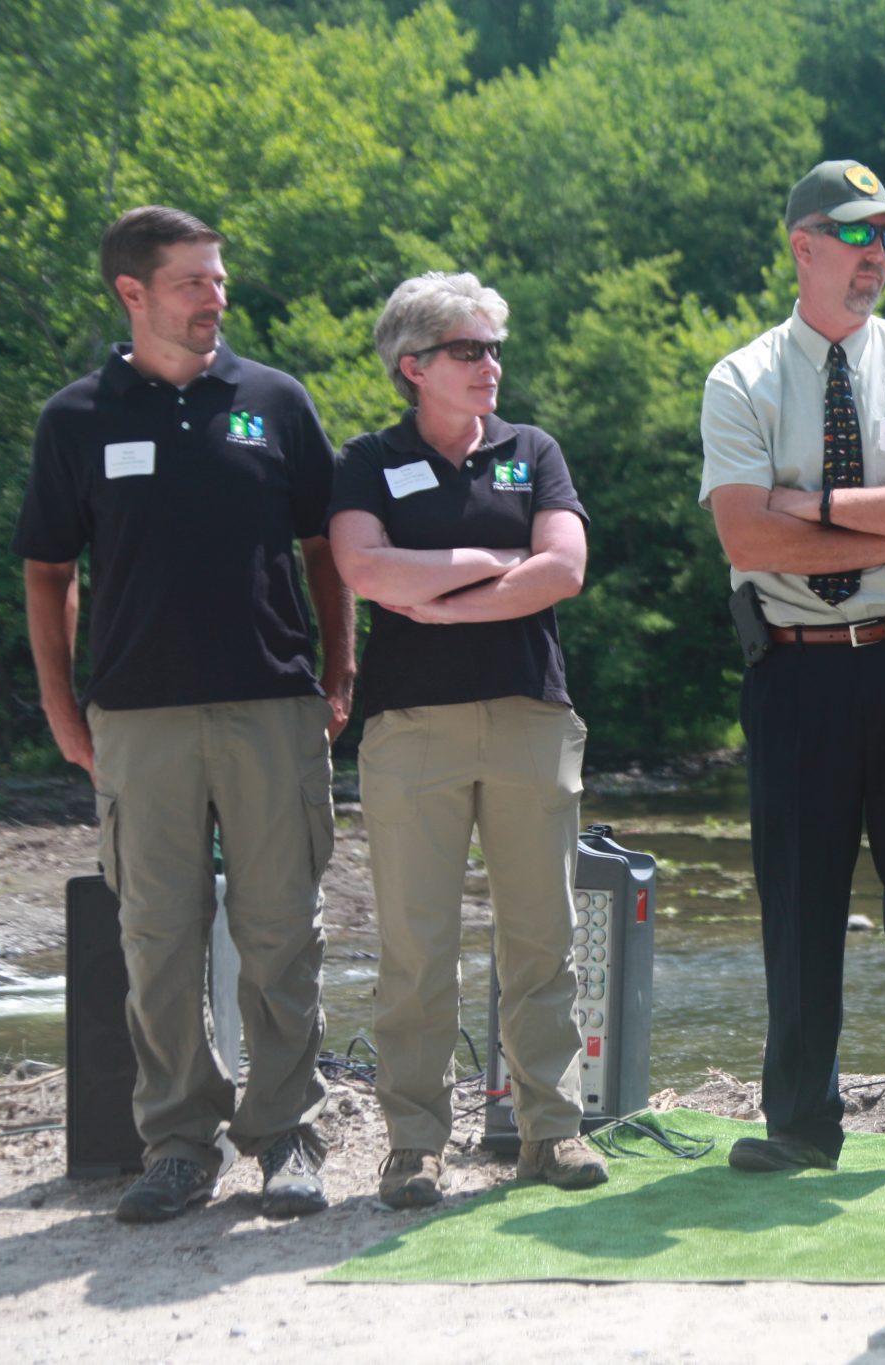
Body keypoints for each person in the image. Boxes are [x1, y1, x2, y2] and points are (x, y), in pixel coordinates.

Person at [14, 206, 355, 1222]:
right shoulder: (75, 419)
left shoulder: (275, 401)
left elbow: (326, 554)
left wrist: (337, 680)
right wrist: (64, 712)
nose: (216, 297)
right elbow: (45, 574)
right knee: (157, 940)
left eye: (218, 279)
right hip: (138, 722)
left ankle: (286, 1135)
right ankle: (177, 1142)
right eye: (193, 282)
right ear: (133, 292)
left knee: (281, 934)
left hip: (272, 708)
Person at [699, 159, 885, 1173]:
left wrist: (818, 509)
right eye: (856, 234)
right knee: (798, 902)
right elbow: (751, 540)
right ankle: (799, 1124)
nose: (876, 254)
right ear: (803, 247)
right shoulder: (740, 380)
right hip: (796, 671)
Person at [328, 272, 605, 1207]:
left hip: (530, 714)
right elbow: (363, 566)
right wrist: (495, 561)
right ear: (414, 366)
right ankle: (414, 1143)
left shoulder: (534, 450)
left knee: (544, 935)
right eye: (468, 350)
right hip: (410, 729)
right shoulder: (367, 460)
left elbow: (563, 568)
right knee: (416, 941)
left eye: (494, 348)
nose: (491, 365)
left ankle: (550, 1132)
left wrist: (437, 596)